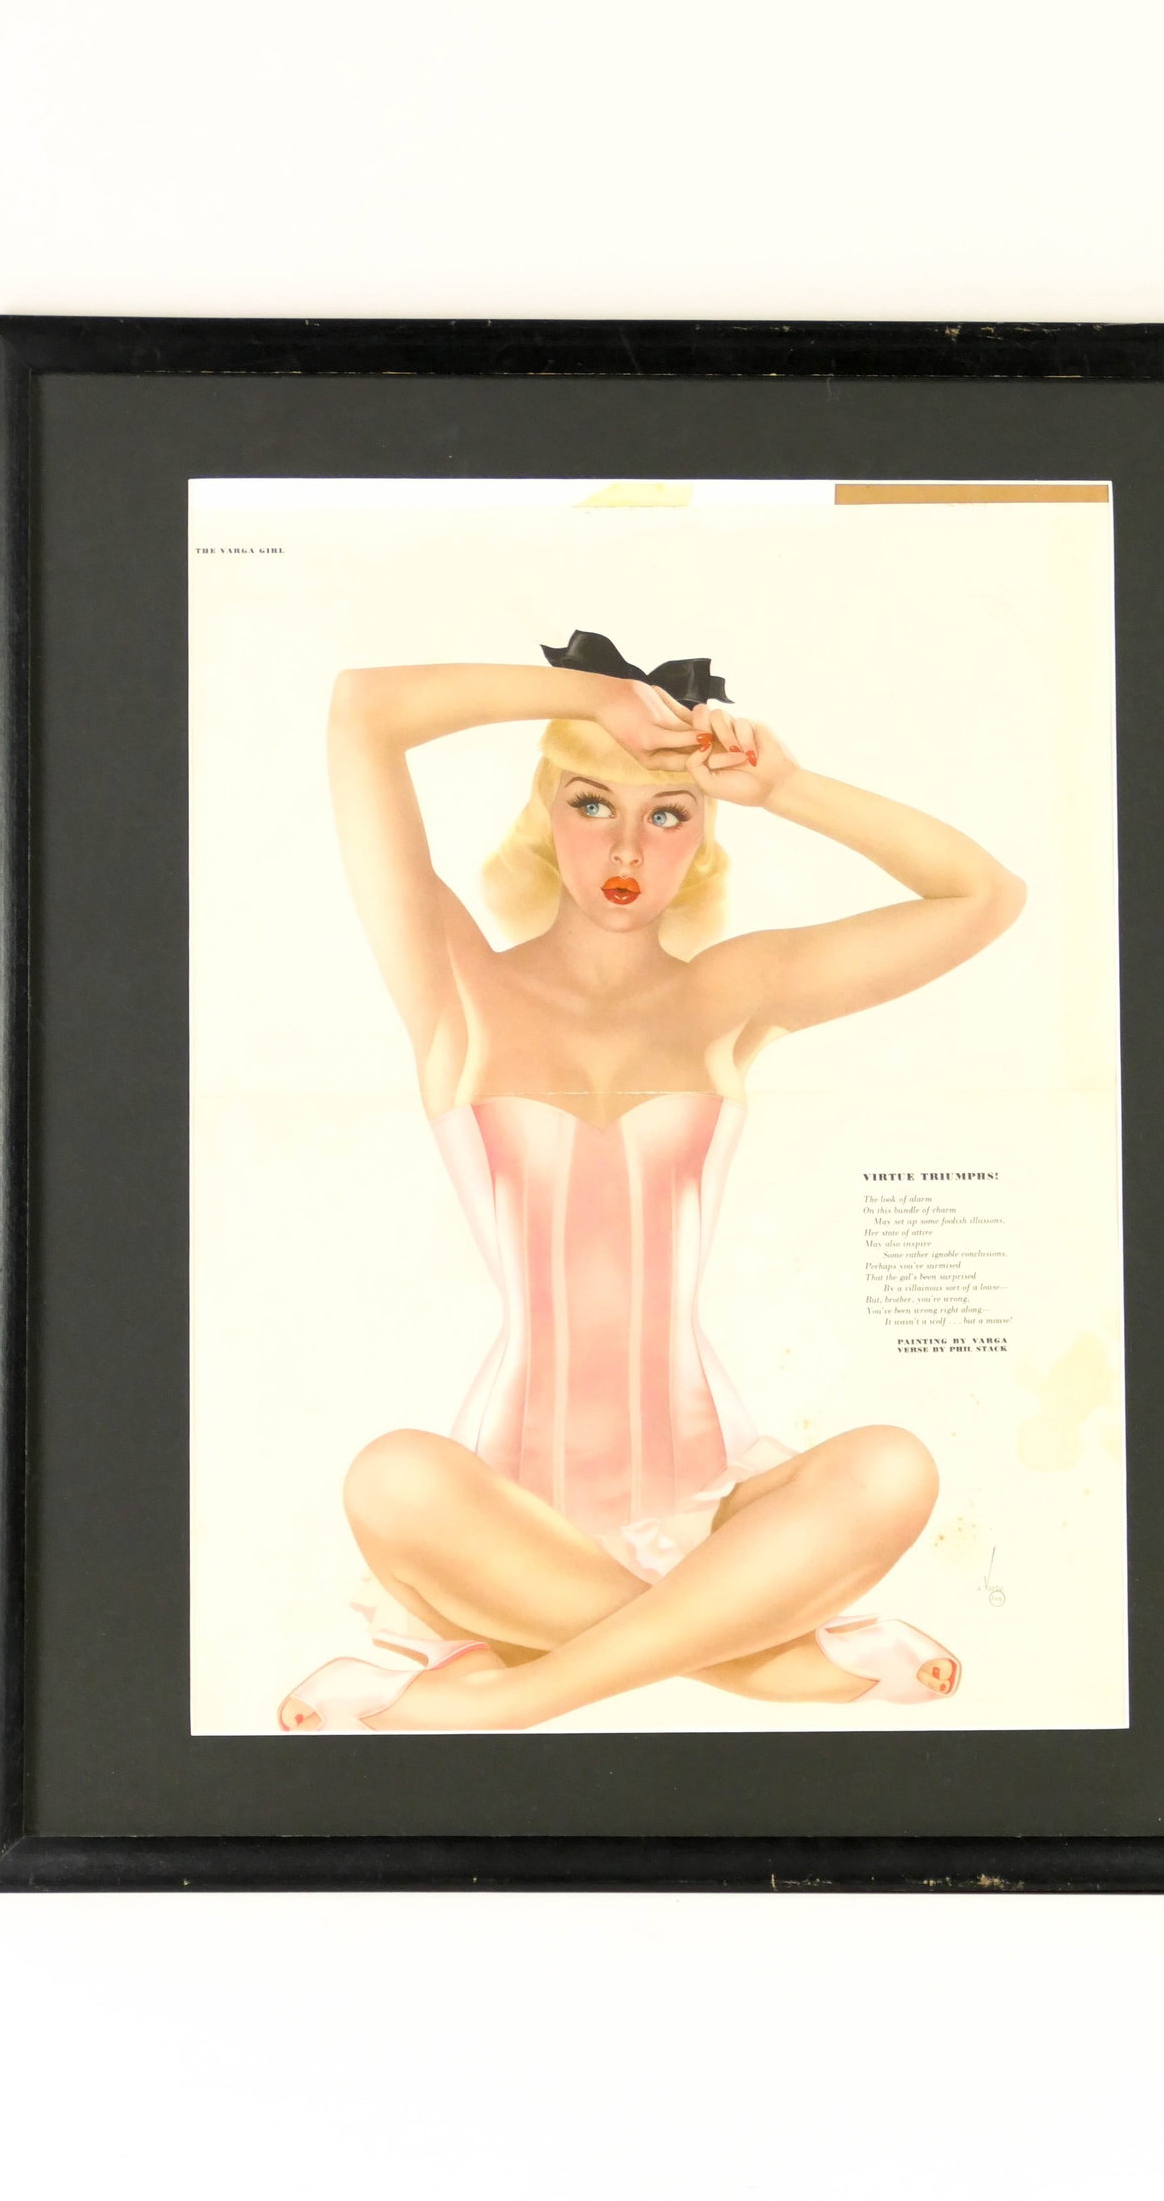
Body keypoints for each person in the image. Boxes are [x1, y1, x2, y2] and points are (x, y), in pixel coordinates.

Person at [279, 630, 1026, 1732]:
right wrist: (598, 698)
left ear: (704, 840)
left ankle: (502, 1698)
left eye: (668, 815)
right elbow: (362, 713)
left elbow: (984, 896)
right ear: (544, 818)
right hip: (499, 1521)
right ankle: (754, 1662)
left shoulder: (733, 994)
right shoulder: (457, 989)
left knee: (892, 1468)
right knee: (391, 1476)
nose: (627, 842)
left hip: (716, 1507)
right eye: (592, 804)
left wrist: (788, 787)